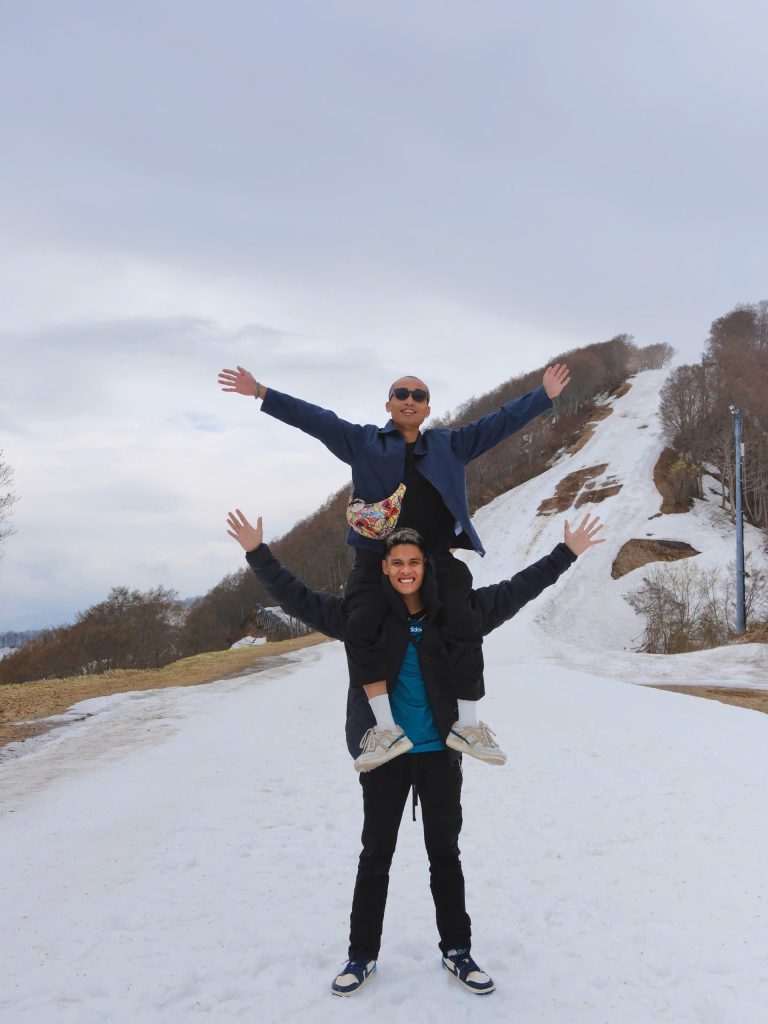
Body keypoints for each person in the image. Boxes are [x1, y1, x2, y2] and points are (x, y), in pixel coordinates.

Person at [226, 507, 604, 997]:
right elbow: (298, 598)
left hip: (440, 753)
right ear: (385, 568)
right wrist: (258, 552)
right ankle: (362, 955)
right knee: (375, 856)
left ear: (425, 567)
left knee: (444, 855)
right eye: (398, 563)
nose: (406, 570)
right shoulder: (362, 617)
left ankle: (457, 951)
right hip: (386, 756)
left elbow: (517, 590)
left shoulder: (457, 613)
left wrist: (565, 553)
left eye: (414, 562)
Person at [219, 364, 571, 771]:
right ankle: (385, 729)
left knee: (463, 619)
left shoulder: (450, 445)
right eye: (401, 394)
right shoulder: (363, 442)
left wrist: (542, 395)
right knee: (361, 623)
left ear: (427, 409)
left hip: (435, 558)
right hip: (375, 558)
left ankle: (468, 724)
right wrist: (261, 391)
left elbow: (499, 422)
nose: (409, 400)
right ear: (388, 404)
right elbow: (315, 419)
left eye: (419, 396)